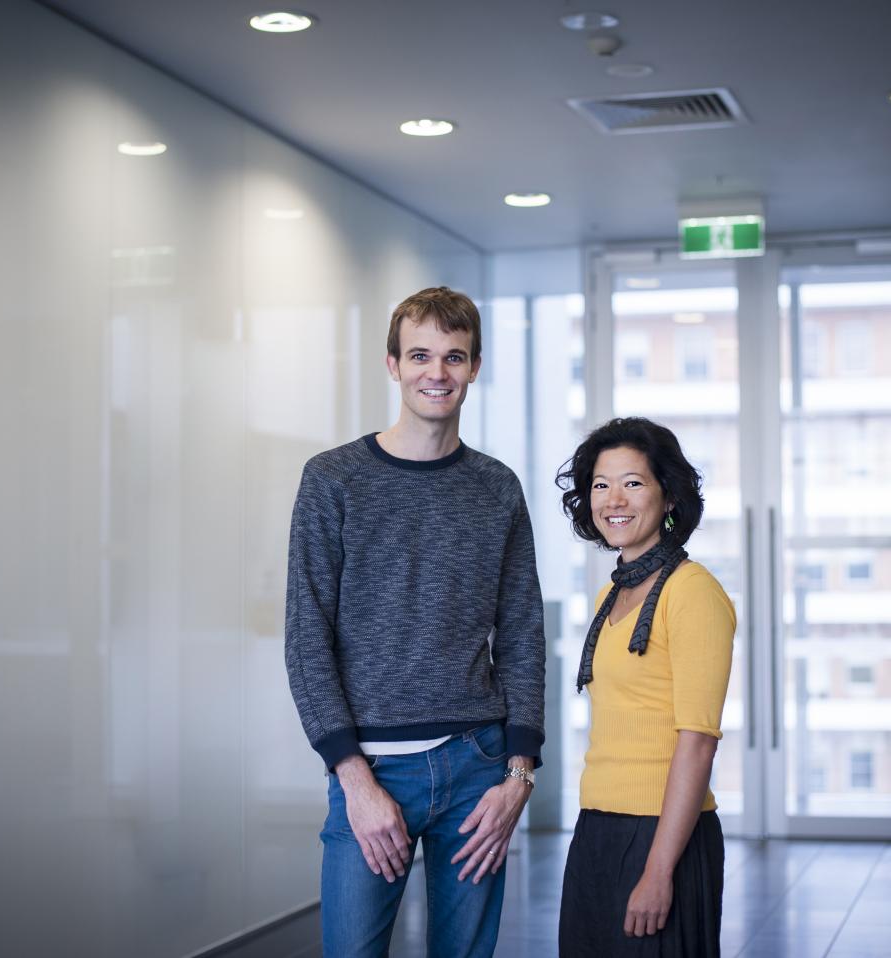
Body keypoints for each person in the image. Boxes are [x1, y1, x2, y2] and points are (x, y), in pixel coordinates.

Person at [284, 286, 546, 958]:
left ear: (475, 367)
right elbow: (307, 639)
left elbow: (521, 635)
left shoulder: (497, 488)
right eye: (421, 355)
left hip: (477, 768)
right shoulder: (332, 479)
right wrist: (353, 779)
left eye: (454, 357)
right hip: (372, 773)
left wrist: (519, 776)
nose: (438, 371)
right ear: (393, 364)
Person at [555, 417, 735, 957]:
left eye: (633, 482)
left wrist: (659, 870)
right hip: (597, 831)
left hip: (665, 836)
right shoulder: (610, 598)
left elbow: (697, 740)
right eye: (600, 485)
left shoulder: (693, 593)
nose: (614, 499)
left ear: (668, 494)